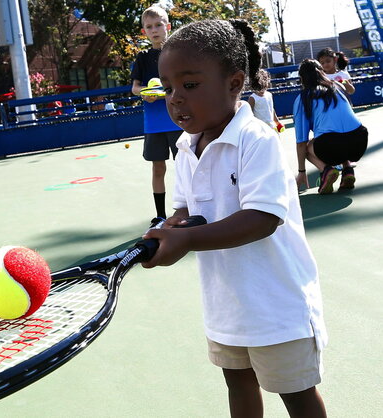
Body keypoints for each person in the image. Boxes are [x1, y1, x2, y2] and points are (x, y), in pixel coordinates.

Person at [147, 19, 328, 417]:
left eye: (190, 85)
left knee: (297, 396)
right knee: (238, 384)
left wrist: (188, 240)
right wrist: (168, 229)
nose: (175, 98)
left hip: (276, 306)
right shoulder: (185, 146)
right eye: (168, 88)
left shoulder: (256, 138)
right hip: (226, 304)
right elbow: (186, 211)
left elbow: (262, 218)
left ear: (233, 83)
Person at [130, 5, 183, 227]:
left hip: (178, 119)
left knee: (185, 166)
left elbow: (182, 83)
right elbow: (135, 88)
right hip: (153, 124)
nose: (154, 30)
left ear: (167, 26)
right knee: (158, 168)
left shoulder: (178, 53)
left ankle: (188, 209)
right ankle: (160, 216)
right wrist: (147, 93)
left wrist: (166, 94)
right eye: (149, 27)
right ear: (144, 32)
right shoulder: (142, 58)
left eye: (159, 25)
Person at [293, 59, 368, 193]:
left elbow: (301, 142)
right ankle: (347, 169)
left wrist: (301, 171)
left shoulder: (303, 98)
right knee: (340, 134)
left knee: (307, 147)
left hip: (331, 145)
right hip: (360, 140)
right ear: (322, 72)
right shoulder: (338, 87)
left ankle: (326, 170)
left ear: (302, 78)